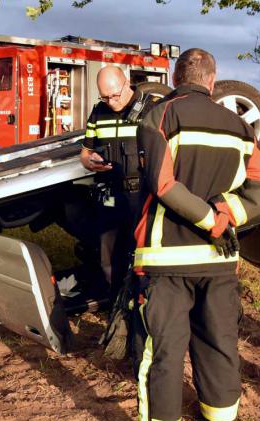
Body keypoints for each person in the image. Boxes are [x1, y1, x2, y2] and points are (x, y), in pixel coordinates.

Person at [134, 48, 260, 421]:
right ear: (212, 81)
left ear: (176, 78)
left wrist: (210, 218)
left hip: (167, 259)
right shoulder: (241, 127)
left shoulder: (160, 116)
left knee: (164, 352)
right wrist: (227, 214)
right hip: (220, 260)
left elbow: (163, 185)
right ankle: (221, 417)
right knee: (219, 344)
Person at [81, 66, 159, 296]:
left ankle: (143, 302)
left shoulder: (152, 108)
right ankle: (116, 303)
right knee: (109, 256)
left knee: (143, 255)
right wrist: (89, 161)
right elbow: (85, 153)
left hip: (141, 196)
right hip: (109, 195)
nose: (111, 101)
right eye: (104, 96)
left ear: (126, 84)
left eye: (114, 95)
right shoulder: (98, 111)